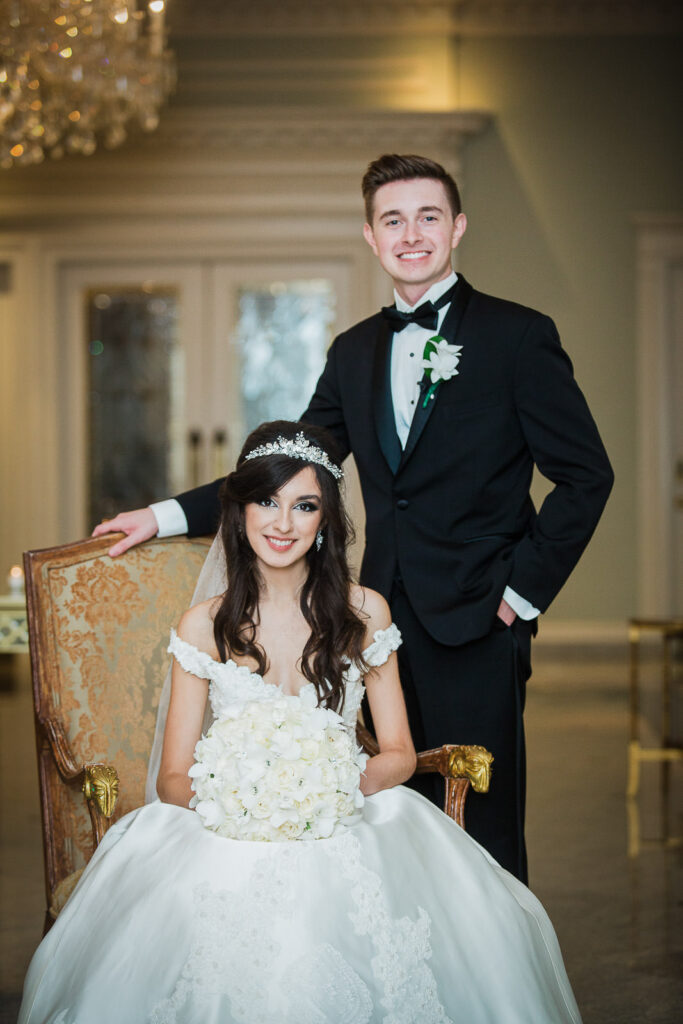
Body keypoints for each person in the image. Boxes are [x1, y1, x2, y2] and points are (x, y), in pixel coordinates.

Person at [94, 154, 614, 883]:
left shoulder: (518, 335)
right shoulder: (353, 351)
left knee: (480, 834)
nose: (410, 234)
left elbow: (587, 476)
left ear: (456, 227)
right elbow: (288, 466)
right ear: (370, 236)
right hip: (369, 620)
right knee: (380, 822)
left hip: (477, 620)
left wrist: (517, 594)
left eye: (427, 217)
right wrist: (161, 514)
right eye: (392, 219)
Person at [22, 421, 582, 1024]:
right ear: (238, 513)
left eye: (304, 505)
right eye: (266, 501)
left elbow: (397, 750)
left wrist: (335, 786)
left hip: (348, 813)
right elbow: (173, 778)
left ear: (325, 520)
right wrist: (246, 804)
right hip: (226, 826)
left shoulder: (364, 611)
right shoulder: (202, 626)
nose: (282, 523)